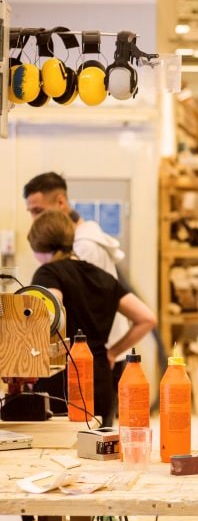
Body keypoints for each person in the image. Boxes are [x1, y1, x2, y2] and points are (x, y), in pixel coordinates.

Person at [27, 209, 157, 423]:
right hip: (100, 381)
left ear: (39, 246)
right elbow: (146, 318)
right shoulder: (103, 277)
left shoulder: (48, 273)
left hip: (62, 384)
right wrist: (113, 352)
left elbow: (52, 307)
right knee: (97, 450)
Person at [24, 171, 134, 421]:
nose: (34, 219)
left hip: (77, 368)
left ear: (61, 203)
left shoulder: (81, 250)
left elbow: (53, 311)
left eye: (38, 211)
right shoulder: (91, 245)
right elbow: (145, 316)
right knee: (98, 439)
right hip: (100, 358)